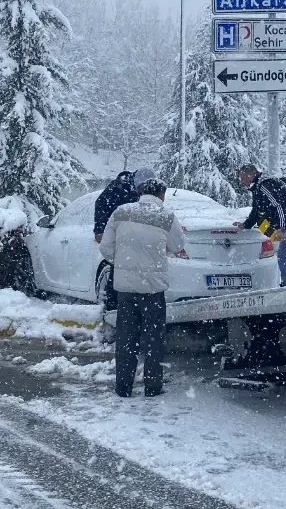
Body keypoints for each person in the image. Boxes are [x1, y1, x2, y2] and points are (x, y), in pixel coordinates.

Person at [98, 176, 184, 398]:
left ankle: (123, 387)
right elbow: (177, 245)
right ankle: (152, 387)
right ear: (162, 195)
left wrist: (124, 263)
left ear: (141, 192)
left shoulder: (121, 212)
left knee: (126, 338)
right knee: (154, 339)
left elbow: (106, 248)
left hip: (125, 289)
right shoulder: (166, 216)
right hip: (153, 290)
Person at [234, 163, 286, 287]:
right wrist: (246, 225)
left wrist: (281, 228)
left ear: (250, 175)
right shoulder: (258, 187)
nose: (241, 181)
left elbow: (279, 206)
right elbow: (257, 210)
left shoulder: (264, 186)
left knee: (285, 257)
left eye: (242, 177)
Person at [93, 168, 153, 243]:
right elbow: (101, 203)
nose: (145, 189)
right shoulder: (118, 187)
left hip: (129, 230)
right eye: (143, 186)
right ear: (138, 181)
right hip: (112, 229)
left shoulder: (141, 190)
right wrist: (100, 230)